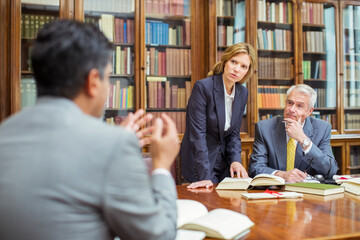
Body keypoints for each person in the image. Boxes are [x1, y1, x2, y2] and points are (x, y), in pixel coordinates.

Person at [0, 20, 180, 240]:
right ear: (93, 81)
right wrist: (161, 167)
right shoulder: (112, 146)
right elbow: (159, 236)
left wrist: (114, 140)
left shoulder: (5, 132)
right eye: (109, 76)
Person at [180, 43, 257, 189]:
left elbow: (234, 133)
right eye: (233, 62)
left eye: (243, 66)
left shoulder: (242, 93)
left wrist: (235, 160)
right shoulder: (203, 88)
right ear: (225, 61)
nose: (236, 69)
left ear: (247, 72)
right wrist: (204, 177)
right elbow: (198, 135)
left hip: (224, 164)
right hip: (200, 162)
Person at [248, 84, 338, 182]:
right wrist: (281, 175)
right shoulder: (264, 128)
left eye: (299, 106)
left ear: (309, 111)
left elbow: (330, 170)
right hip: (275, 191)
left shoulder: (322, 129)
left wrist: (303, 140)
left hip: (308, 192)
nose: (291, 109)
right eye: (290, 103)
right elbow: (255, 168)